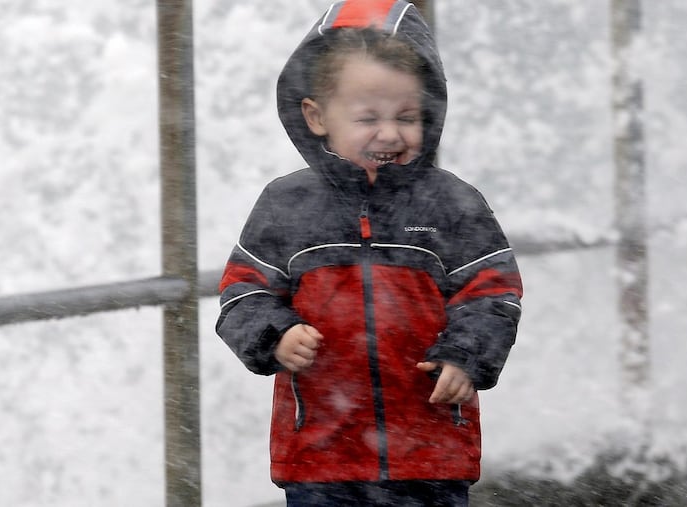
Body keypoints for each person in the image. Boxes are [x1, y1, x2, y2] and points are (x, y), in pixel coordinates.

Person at [216, 1, 523, 505]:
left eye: (407, 116)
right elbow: (241, 292)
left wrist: (466, 357)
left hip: (430, 450)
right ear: (316, 115)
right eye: (368, 117)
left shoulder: (452, 203)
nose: (390, 133)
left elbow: (493, 293)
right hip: (320, 455)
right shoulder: (286, 205)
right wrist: (276, 334)